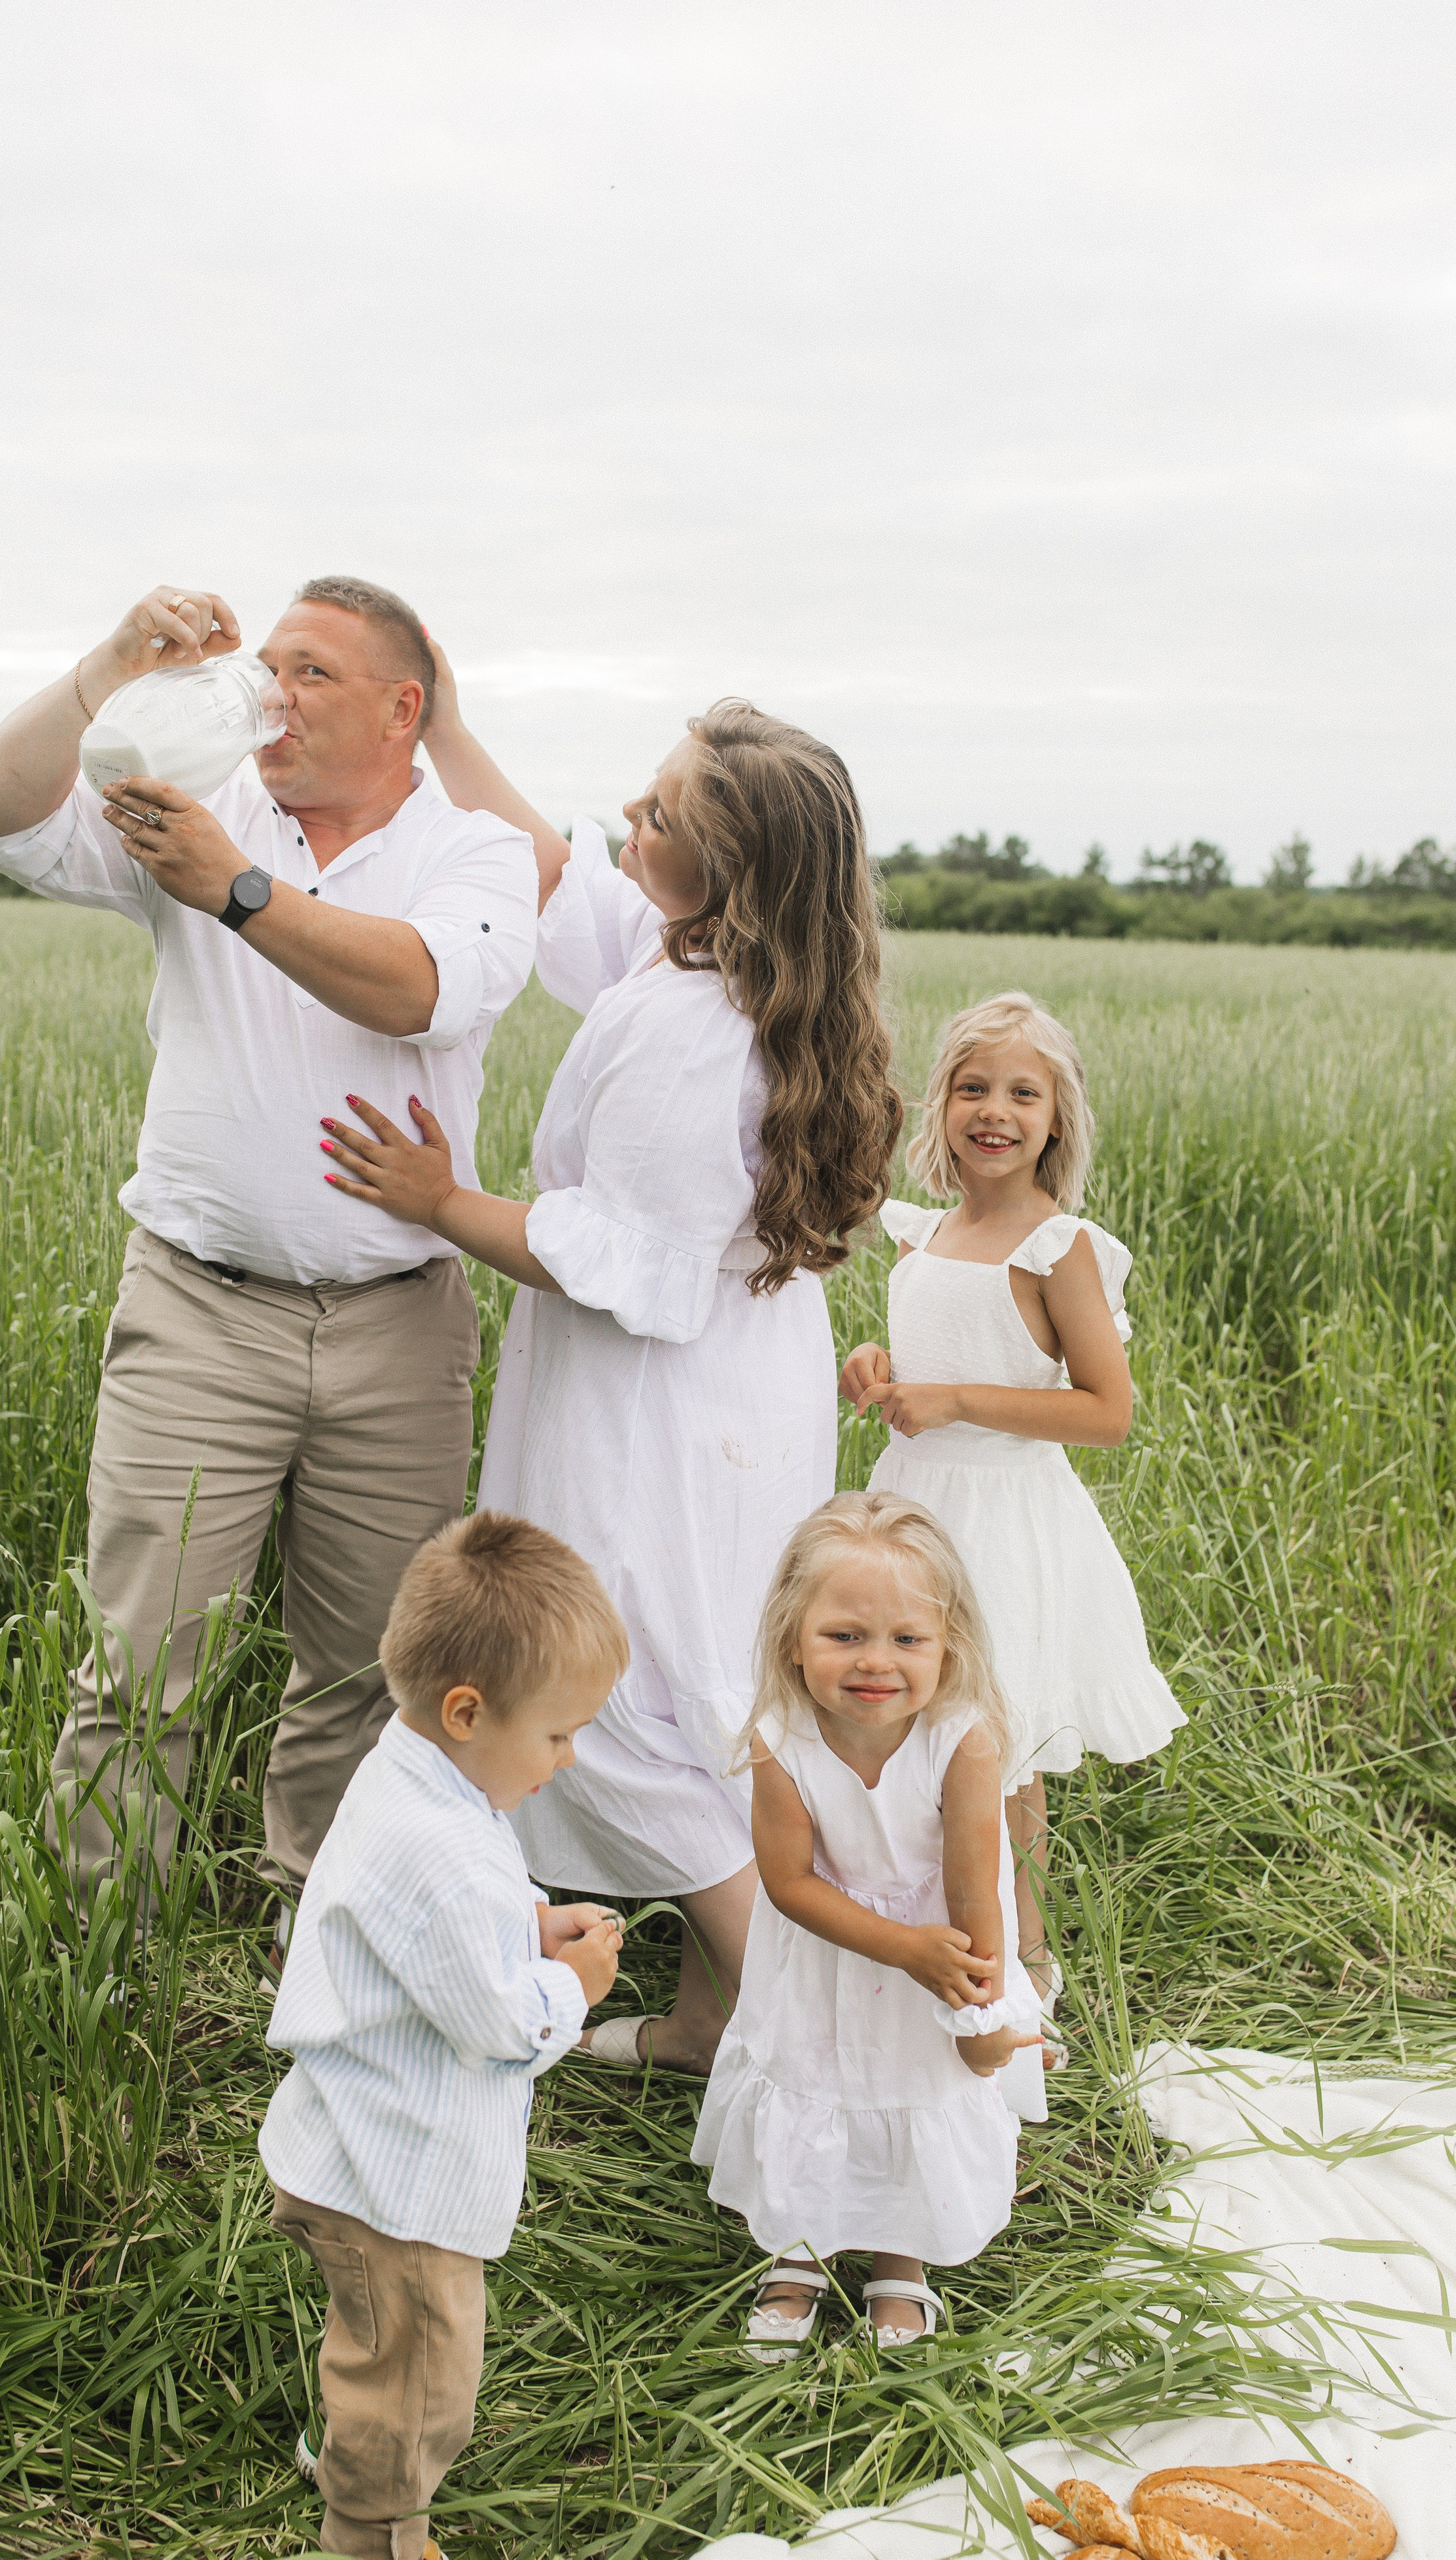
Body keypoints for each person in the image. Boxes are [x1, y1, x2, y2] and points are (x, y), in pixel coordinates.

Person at [317, 658, 901, 2074]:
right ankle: (711, 2026)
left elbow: (624, 1261)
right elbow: (560, 877)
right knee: (693, 1675)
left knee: (635, 1699)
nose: (627, 821)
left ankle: (804, 2061)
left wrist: (439, 1201)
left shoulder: (700, 1041)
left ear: (731, 872)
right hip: (716, 1397)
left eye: (659, 811)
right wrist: (442, 725)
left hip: (653, 1410)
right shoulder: (699, 957)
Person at [0, 580, 538, 1918]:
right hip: (198, 1311)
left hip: (397, 1326)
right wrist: (110, 667)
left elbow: (418, 987)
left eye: (309, 673)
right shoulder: (203, 811)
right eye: (264, 666)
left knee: (365, 1671)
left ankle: (316, 1946)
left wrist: (237, 890)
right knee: (138, 1662)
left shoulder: (475, 850)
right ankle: (102, 1958)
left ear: (404, 708)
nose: (269, 693)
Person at [259, 1510, 629, 2560]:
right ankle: (374, 2524)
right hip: (403, 2186)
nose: (568, 1755)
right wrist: (573, 1981)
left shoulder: (412, 1762)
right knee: (422, 2377)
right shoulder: (447, 1855)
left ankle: (352, 2447)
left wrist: (528, 1919)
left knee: (377, 2341)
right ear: (468, 1709)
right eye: (558, 1733)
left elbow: (455, 1921)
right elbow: (503, 2029)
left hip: (353, 2139)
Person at [839, 990, 1185, 2012]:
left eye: (1022, 1093)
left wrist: (952, 1400)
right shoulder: (923, 1234)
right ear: (940, 1104)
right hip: (913, 1511)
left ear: (1055, 1119)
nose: (994, 1109)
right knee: (906, 1730)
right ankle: (922, 1928)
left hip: (1004, 1516)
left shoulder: (1059, 1246)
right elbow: (936, 1358)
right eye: (972, 1087)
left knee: (1003, 1751)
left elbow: (1107, 1409)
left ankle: (1027, 1965)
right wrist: (880, 1365)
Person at [691, 1492, 1047, 2361]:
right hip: (822, 1952)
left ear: (948, 1643)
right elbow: (787, 1882)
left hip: (941, 1954)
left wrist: (978, 2015)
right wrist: (903, 1948)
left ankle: (901, 2253)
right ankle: (800, 2245)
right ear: (792, 1638)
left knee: (910, 2084)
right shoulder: (783, 1735)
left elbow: (976, 1897)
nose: (874, 1661)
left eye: (906, 1638)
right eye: (844, 1635)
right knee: (813, 2074)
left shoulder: (963, 1740)